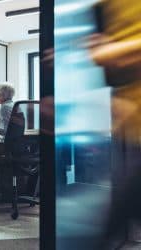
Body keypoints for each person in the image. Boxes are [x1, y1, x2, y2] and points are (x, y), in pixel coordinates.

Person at [87, 0, 141, 247]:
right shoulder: (105, 7)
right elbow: (103, 59)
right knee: (116, 219)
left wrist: (114, 52)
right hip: (130, 125)